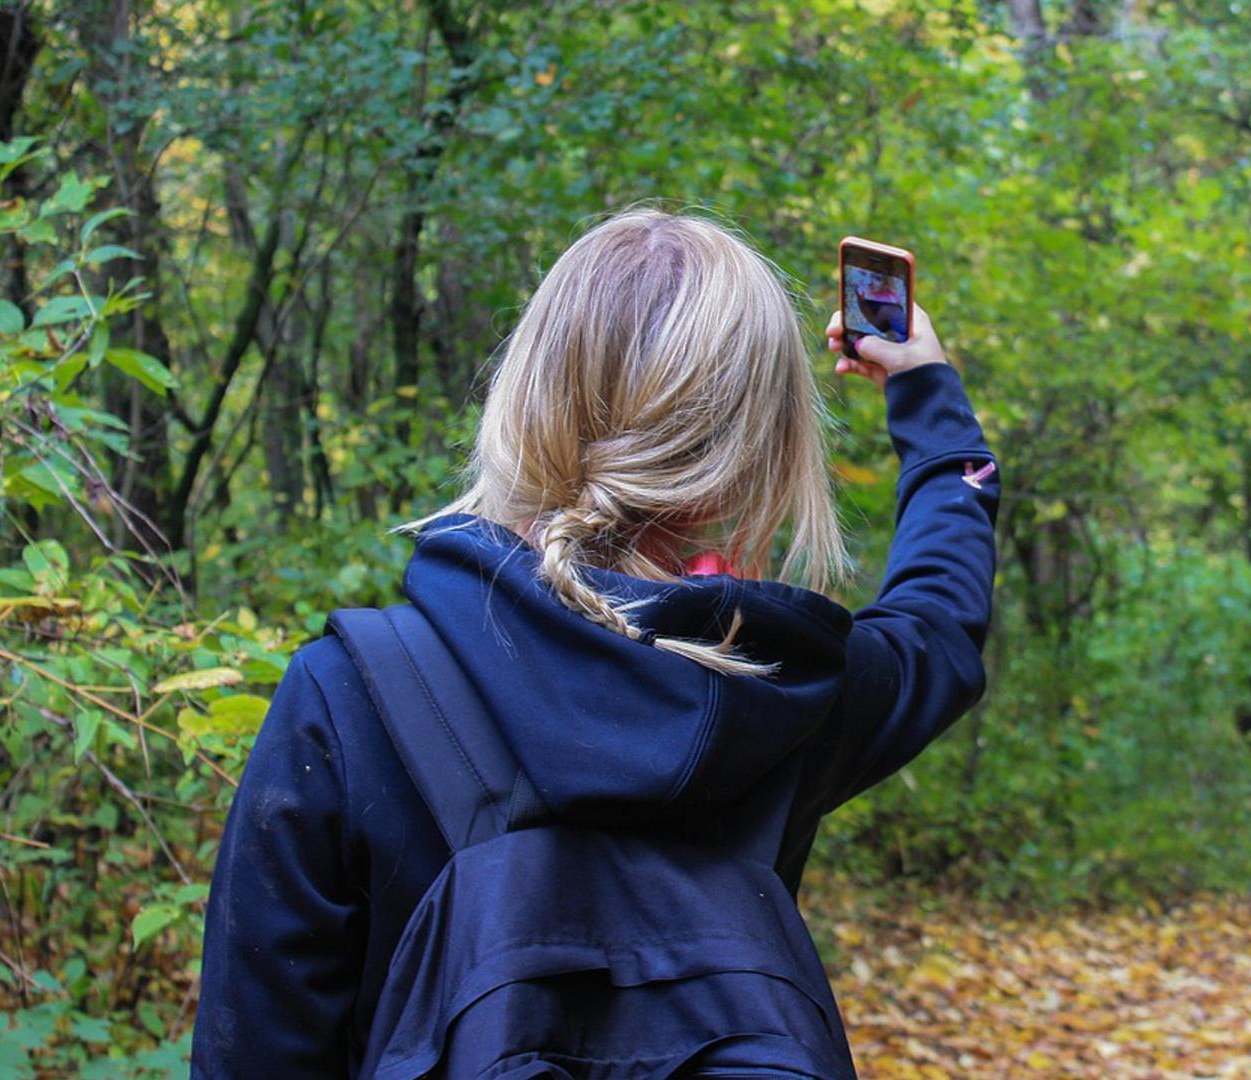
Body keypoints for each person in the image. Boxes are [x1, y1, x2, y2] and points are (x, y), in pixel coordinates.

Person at [192, 209, 999, 1077]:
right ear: (756, 444)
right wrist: (927, 391)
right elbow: (938, 621)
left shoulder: (351, 697)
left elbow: (258, 1049)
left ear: (531, 392)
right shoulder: (784, 694)